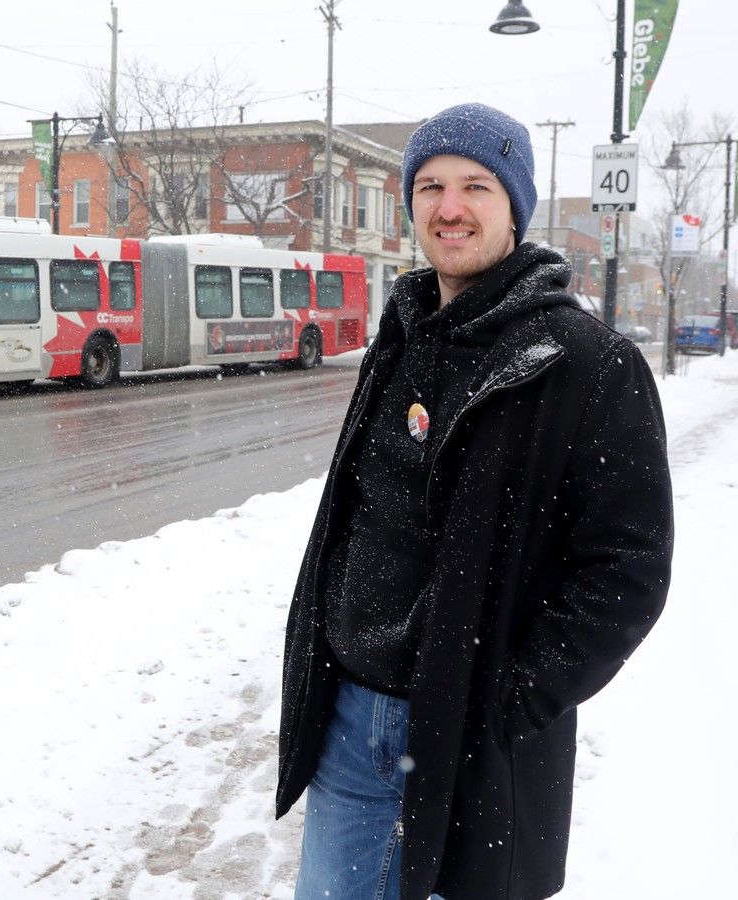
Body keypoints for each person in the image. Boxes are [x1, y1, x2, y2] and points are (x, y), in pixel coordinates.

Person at [278, 103, 673, 900]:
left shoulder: (588, 365)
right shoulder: (401, 336)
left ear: (515, 207)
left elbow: (627, 572)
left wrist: (506, 698)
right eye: (428, 186)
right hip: (350, 722)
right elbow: (361, 512)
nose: (448, 207)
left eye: (476, 186)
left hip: (469, 738)